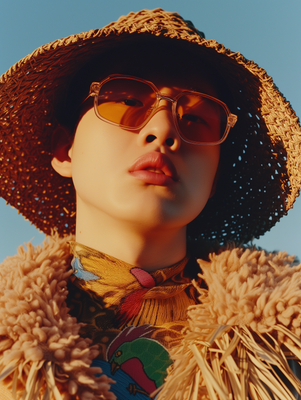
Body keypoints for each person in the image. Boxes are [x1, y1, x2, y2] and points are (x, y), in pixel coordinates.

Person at [0, 8, 301, 400]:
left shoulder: (288, 346)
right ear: (65, 148)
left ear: (214, 179)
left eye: (196, 120)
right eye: (125, 100)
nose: (163, 131)